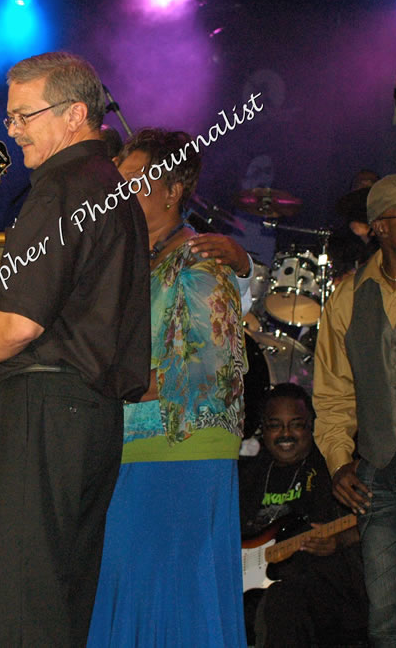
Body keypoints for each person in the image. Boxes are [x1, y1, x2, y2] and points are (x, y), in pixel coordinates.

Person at [0, 51, 150, 646]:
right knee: (61, 601)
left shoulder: (60, 189)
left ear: (76, 113)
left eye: (24, 115)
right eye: (10, 117)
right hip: (94, 418)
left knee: (18, 601)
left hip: (38, 412)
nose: (14, 130)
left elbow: (21, 322)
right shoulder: (117, 191)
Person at [86, 128, 247, 647]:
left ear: (172, 187)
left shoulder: (200, 260)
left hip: (179, 452)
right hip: (133, 446)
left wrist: (107, 387)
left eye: (133, 180)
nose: (120, 192)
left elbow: (205, 369)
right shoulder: (135, 259)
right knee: (130, 590)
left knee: (167, 600)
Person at [314, 173, 396, 647]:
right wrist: (338, 461)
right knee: (385, 621)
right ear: (382, 228)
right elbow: (332, 393)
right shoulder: (348, 297)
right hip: (380, 475)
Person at [240, 383, 366, 647]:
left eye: (296, 424)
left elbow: (375, 522)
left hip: (320, 593)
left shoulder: (335, 471)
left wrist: (339, 540)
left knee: (282, 602)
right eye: (275, 425)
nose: (286, 434)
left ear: (312, 426)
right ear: (263, 429)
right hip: (251, 591)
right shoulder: (247, 475)